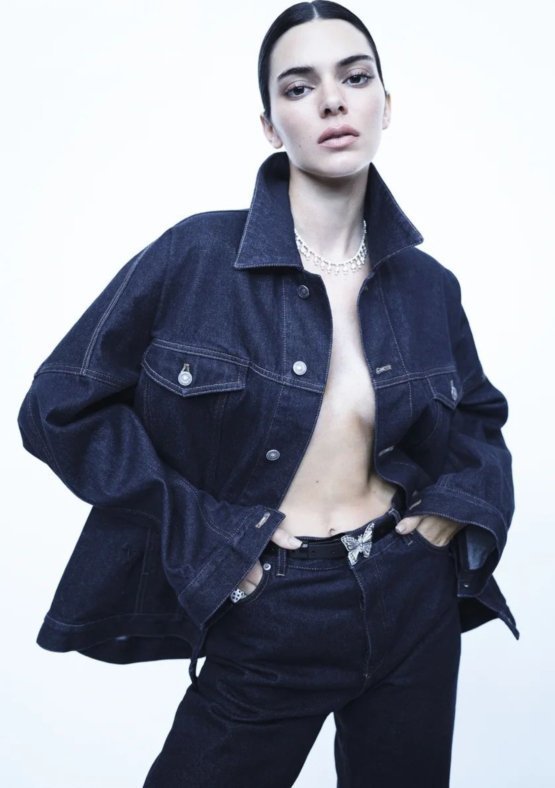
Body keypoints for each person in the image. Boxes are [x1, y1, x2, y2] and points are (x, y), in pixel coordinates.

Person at [17, 2, 518, 786]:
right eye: (299, 86)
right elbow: (59, 406)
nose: (333, 101)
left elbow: (479, 418)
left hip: (411, 597)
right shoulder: (195, 255)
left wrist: (458, 505)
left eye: (356, 78)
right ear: (269, 125)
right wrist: (206, 532)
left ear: (387, 104)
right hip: (272, 604)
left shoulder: (427, 286)